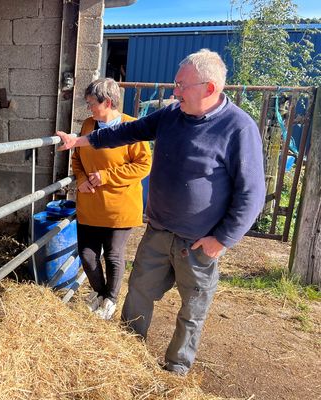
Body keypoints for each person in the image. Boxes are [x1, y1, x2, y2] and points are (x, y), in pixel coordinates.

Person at [56, 49, 265, 374]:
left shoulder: (238, 128)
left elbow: (252, 193)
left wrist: (221, 240)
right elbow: (123, 132)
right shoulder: (170, 116)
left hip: (199, 242)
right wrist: (77, 141)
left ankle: (176, 370)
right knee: (138, 293)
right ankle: (126, 353)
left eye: (181, 85)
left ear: (209, 89)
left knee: (192, 308)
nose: (174, 91)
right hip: (158, 230)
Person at [73, 78, 151, 320]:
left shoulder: (131, 127)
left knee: (113, 255)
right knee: (86, 254)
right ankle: (99, 293)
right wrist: (80, 179)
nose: (89, 109)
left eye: (91, 103)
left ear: (107, 102)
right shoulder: (88, 125)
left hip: (119, 206)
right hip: (89, 203)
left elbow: (143, 165)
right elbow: (77, 158)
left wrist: (107, 175)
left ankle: (110, 300)